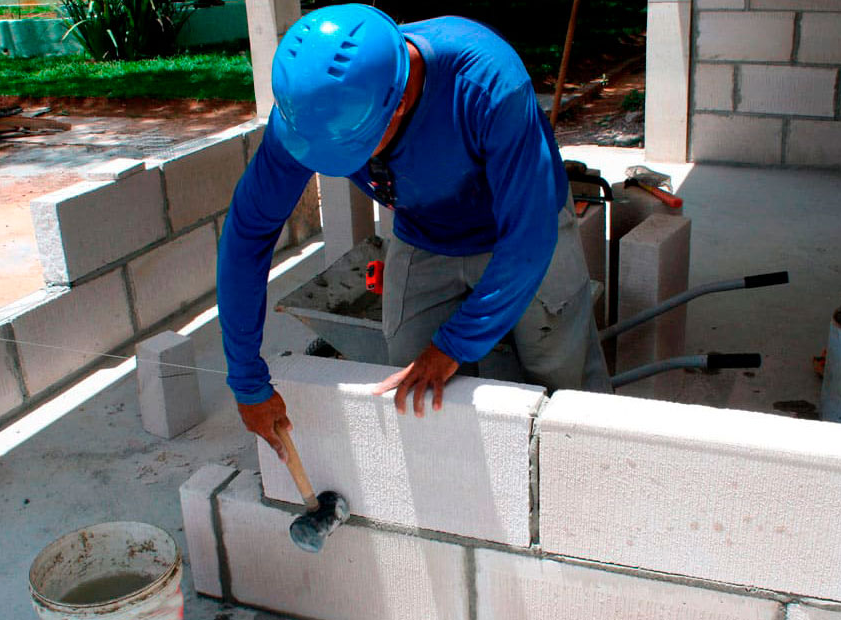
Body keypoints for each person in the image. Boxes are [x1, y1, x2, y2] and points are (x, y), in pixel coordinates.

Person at [216, 4, 610, 462]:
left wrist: (453, 346)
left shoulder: (486, 83)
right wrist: (246, 379)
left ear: (399, 101)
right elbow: (248, 235)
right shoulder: (310, 114)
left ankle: (585, 477)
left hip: (524, 226)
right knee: (410, 380)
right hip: (425, 232)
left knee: (559, 372)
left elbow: (529, 237)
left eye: (354, 150)